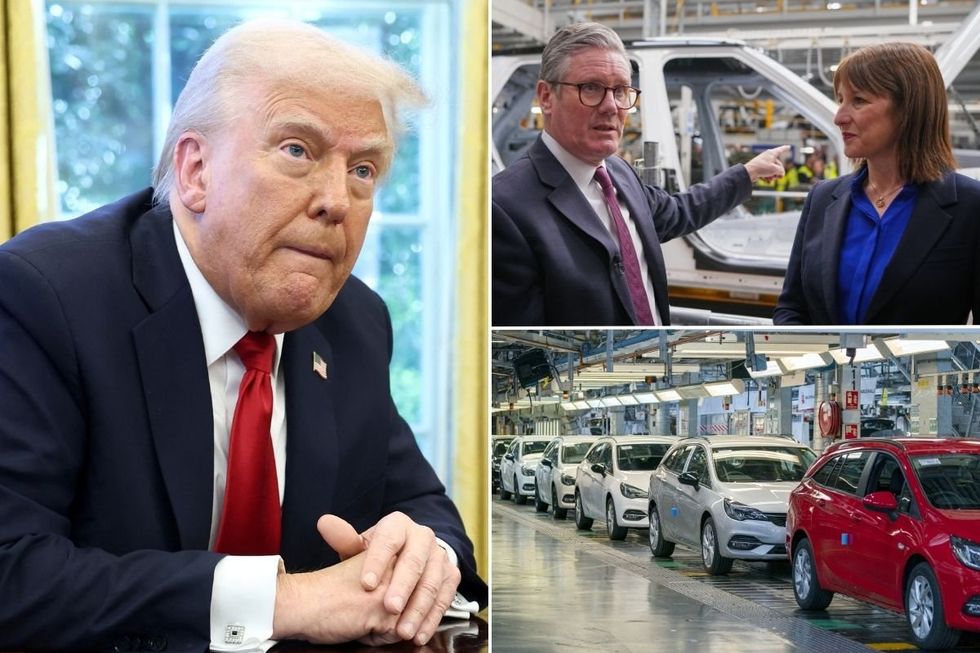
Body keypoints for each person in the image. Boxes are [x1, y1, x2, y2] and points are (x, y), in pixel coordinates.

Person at [0, 18, 486, 652]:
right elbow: (13, 570)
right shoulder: (45, 296)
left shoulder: (356, 323)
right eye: (297, 151)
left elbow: (423, 508)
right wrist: (283, 600)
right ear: (196, 170)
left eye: (364, 169)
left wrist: (426, 557)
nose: (337, 200)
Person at [491, 21, 787, 327]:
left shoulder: (619, 173)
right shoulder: (504, 208)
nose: (611, 106)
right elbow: (521, 353)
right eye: (590, 88)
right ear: (546, 97)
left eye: (620, 90)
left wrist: (746, 174)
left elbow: (677, 211)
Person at [774, 42, 980, 324]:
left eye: (858, 100)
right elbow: (792, 308)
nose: (839, 117)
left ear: (909, 109)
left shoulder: (969, 208)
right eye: (840, 100)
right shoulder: (822, 199)